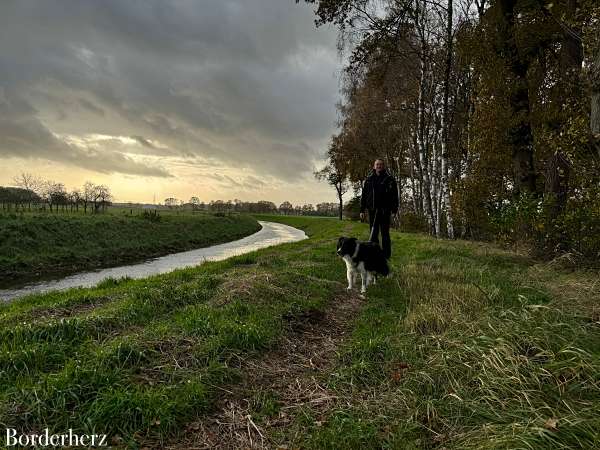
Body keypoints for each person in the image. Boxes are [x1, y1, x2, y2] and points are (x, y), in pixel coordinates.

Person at [359, 159, 399, 259]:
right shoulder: (368, 180)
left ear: (383, 166)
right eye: (377, 164)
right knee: (373, 234)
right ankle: (375, 255)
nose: (379, 166)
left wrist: (394, 210)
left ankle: (386, 256)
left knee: (385, 234)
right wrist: (362, 210)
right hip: (372, 211)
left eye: (381, 164)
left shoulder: (390, 179)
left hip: (385, 211)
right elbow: (364, 196)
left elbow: (395, 196)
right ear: (374, 166)